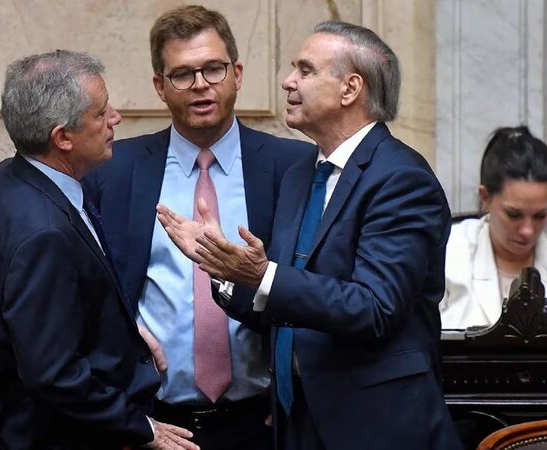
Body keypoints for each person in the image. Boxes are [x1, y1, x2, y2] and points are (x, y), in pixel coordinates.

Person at [157, 21, 462, 449]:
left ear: (350, 88)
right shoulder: (302, 173)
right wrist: (224, 268)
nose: (287, 81)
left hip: (376, 428)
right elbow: (287, 301)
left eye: (305, 70)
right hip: (296, 422)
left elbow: (375, 308)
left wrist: (262, 275)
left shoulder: (401, 179)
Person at [83, 5, 314, 450]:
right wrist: (125, 331)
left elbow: (314, 286)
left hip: (261, 422)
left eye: (213, 69)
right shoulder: (114, 172)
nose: (201, 85)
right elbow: (86, 287)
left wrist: (292, 389)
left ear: (237, 74)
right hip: (153, 424)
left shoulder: (292, 168)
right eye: (183, 74)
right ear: (160, 87)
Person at [0, 50, 197, 450]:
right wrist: (140, 427)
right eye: (101, 114)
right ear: (62, 137)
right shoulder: (43, 233)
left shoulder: (12, 176)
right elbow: (53, 373)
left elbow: (52, 311)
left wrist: (122, 332)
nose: (115, 119)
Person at [440, 126, 547, 329]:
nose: (528, 231)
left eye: (540, 215)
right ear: (485, 197)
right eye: (514, 215)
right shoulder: (447, 251)